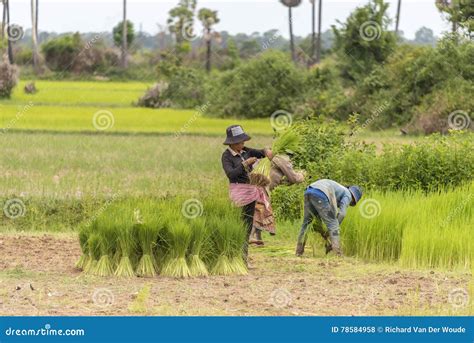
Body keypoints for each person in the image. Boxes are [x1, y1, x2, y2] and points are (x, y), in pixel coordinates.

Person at [221, 125, 273, 265]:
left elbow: (261, 152)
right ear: (232, 143)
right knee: (238, 224)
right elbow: (230, 174)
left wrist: (267, 151)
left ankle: (243, 258)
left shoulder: (246, 151)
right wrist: (244, 164)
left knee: (247, 226)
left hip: (251, 193)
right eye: (240, 142)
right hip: (238, 193)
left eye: (243, 141)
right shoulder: (226, 156)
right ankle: (233, 256)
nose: (243, 144)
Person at [296, 179, 362, 257]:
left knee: (306, 224)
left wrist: (324, 231)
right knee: (334, 224)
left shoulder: (340, 189)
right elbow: (342, 213)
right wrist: (336, 225)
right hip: (321, 194)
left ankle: (299, 252)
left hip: (309, 191)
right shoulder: (348, 194)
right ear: (354, 199)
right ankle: (338, 253)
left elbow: (321, 214)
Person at [249, 152, 305, 245]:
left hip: (253, 184)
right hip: (261, 187)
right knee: (261, 210)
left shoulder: (272, 156)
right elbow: (293, 178)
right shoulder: (282, 158)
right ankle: (251, 236)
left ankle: (258, 238)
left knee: (258, 210)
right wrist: (302, 176)